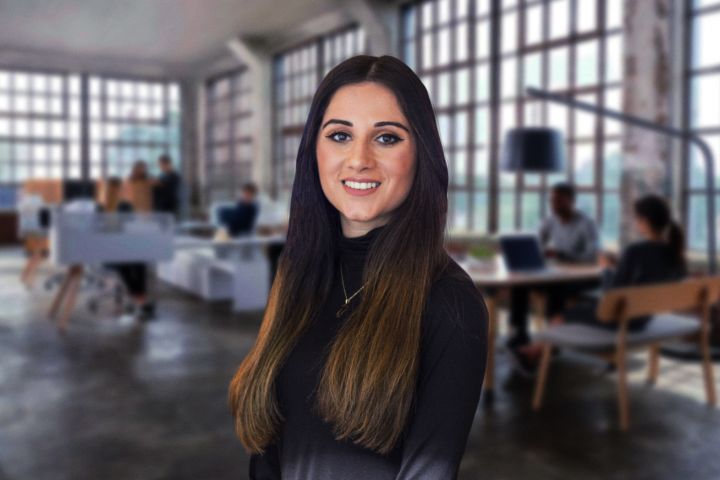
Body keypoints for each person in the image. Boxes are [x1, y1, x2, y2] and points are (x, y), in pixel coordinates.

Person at [228, 55, 488, 480]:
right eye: (340, 135)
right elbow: (269, 445)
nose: (359, 159)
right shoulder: (299, 274)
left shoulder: (450, 303)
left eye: (386, 138)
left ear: (420, 154)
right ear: (314, 150)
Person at [506, 182, 599, 376]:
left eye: (559, 201)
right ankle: (519, 334)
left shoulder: (586, 224)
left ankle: (553, 340)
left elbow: (592, 256)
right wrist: (537, 253)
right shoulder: (550, 220)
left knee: (557, 288)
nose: (554, 204)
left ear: (571, 201)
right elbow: (536, 242)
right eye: (552, 200)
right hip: (557, 273)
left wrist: (563, 254)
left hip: (581, 278)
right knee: (520, 283)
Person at [562, 194, 687, 331]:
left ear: (644, 221)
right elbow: (649, 275)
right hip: (646, 317)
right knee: (584, 306)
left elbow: (611, 295)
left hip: (624, 320)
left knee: (568, 312)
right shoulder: (673, 252)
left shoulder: (635, 251)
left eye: (636, 219)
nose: (635, 223)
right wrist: (621, 264)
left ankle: (546, 344)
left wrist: (606, 268)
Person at [103, 176, 155, 321]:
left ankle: (141, 300)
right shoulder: (104, 208)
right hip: (111, 252)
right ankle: (141, 301)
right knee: (127, 265)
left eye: (123, 188)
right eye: (120, 188)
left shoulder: (124, 206)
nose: (123, 191)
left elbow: (132, 226)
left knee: (139, 263)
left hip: (123, 248)